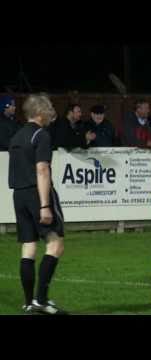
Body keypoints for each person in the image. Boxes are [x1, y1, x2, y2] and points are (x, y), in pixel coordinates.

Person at [8, 94, 67, 315]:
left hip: (19, 195)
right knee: (55, 244)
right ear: (40, 112)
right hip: (36, 194)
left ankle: (28, 302)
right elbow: (42, 170)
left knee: (29, 246)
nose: (52, 112)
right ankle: (41, 300)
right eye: (50, 108)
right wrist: (44, 205)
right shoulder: (40, 135)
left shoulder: (17, 136)